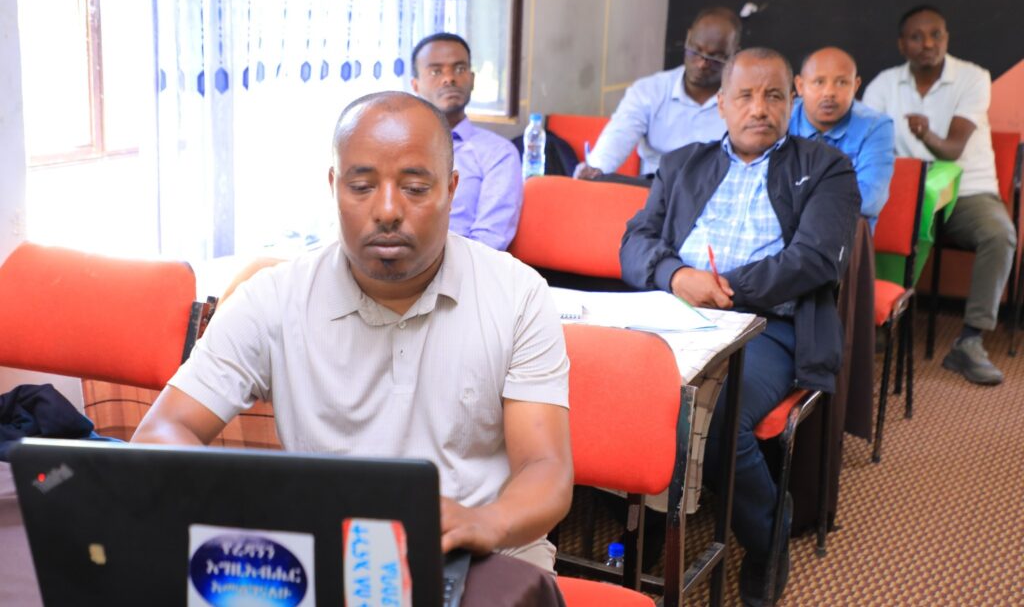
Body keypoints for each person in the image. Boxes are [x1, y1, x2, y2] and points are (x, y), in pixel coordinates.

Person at [132, 92, 573, 573]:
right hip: (330, 554)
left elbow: (545, 468)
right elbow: (160, 433)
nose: (387, 210)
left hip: (489, 552)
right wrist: (258, 517)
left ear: (451, 189)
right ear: (334, 186)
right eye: (361, 187)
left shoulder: (516, 294)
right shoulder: (275, 298)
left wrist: (488, 522)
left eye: (415, 188)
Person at [620, 48, 860, 606]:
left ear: (791, 102)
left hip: (767, 326)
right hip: (676, 314)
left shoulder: (825, 167)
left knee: (722, 419)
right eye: (745, 96)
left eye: (773, 95)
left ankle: (767, 535)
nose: (759, 108)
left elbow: (816, 259)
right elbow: (634, 241)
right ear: (722, 105)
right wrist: (678, 276)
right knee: (615, 395)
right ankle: (647, 521)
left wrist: (724, 288)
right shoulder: (682, 163)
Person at [863, 5, 1015, 386]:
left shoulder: (973, 78)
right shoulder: (884, 84)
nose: (927, 44)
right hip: (905, 192)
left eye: (936, 35)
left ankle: (970, 341)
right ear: (902, 45)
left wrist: (925, 134)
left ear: (947, 39)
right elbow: (867, 144)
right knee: (865, 219)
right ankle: (877, 321)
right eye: (916, 37)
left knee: (1000, 234)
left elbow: (952, 149)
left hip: (967, 191)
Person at [574, 7, 741, 179]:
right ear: (688, 38)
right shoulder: (649, 91)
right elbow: (619, 135)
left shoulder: (743, 103)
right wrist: (596, 169)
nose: (701, 64)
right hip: (655, 187)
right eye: (695, 51)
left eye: (714, 58)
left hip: (715, 188)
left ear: (733, 54)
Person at [410, 32, 523, 251]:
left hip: (461, 266)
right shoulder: (395, 146)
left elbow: (489, 241)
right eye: (436, 71)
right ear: (415, 85)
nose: (449, 78)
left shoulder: (498, 153)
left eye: (460, 69)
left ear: (472, 80)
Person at [791, 47, 895, 231]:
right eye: (819, 82)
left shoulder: (875, 127)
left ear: (855, 86)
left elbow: (870, 200)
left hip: (842, 236)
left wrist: (797, 197)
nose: (829, 92)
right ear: (800, 86)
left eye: (841, 82)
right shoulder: (782, 117)